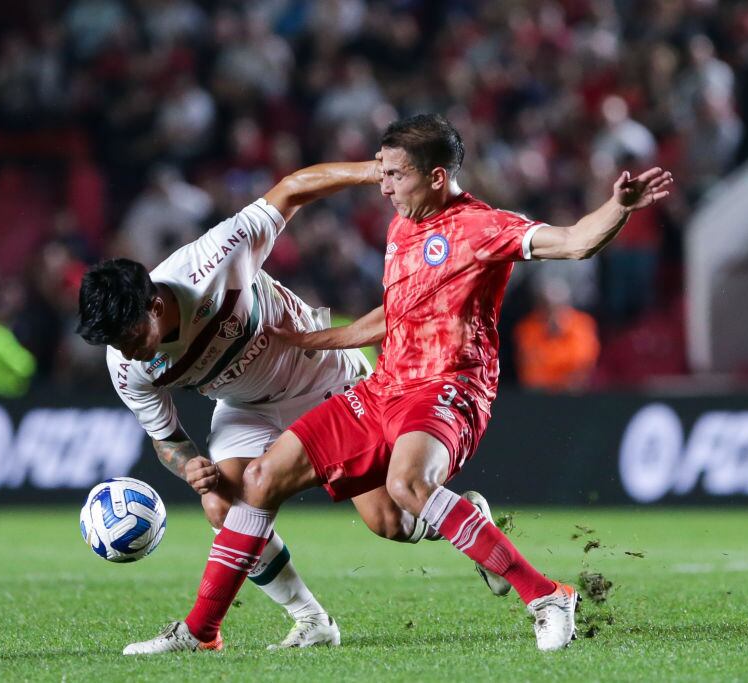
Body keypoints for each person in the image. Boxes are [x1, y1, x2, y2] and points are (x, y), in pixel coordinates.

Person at [121, 114, 673, 655]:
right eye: (381, 174)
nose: (384, 188)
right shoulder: (403, 223)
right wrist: (317, 341)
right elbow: (397, 312)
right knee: (263, 481)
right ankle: (200, 632)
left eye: (395, 175)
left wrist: (617, 209)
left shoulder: (481, 227)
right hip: (384, 386)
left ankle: (547, 596)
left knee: (409, 485)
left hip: (449, 385)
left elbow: (576, 240)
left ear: (436, 176)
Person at [76, 159, 505, 651]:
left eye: (131, 338)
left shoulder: (212, 261)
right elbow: (166, 439)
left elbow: (291, 190)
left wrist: (373, 172)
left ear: (154, 304)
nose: (127, 352)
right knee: (224, 503)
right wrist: (190, 465)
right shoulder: (124, 364)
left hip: (321, 375)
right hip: (245, 406)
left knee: (391, 522)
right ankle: (311, 620)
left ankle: (467, 515)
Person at [514, 276, 600, 392]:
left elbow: (583, 366)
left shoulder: (583, 325)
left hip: (575, 395)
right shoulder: (527, 329)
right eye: (547, 307)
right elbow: (532, 374)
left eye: (559, 306)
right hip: (539, 398)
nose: (553, 313)